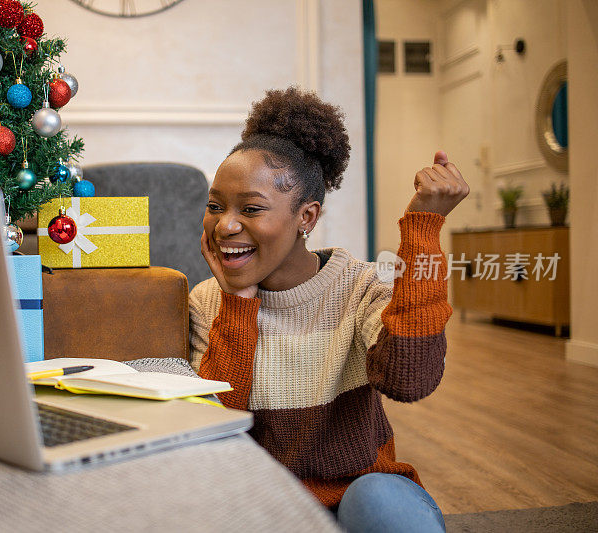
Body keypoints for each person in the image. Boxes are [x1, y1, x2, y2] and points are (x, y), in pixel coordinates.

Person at [189, 87, 468, 533]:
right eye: (215, 206)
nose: (225, 225)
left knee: (378, 500)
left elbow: (411, 379)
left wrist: (423, 226)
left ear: (307, 217)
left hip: (359, 496)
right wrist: (239, 304)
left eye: (251, 208)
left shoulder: (360, 286)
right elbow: (208, 432)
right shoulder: (206, 302)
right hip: (261, 506)